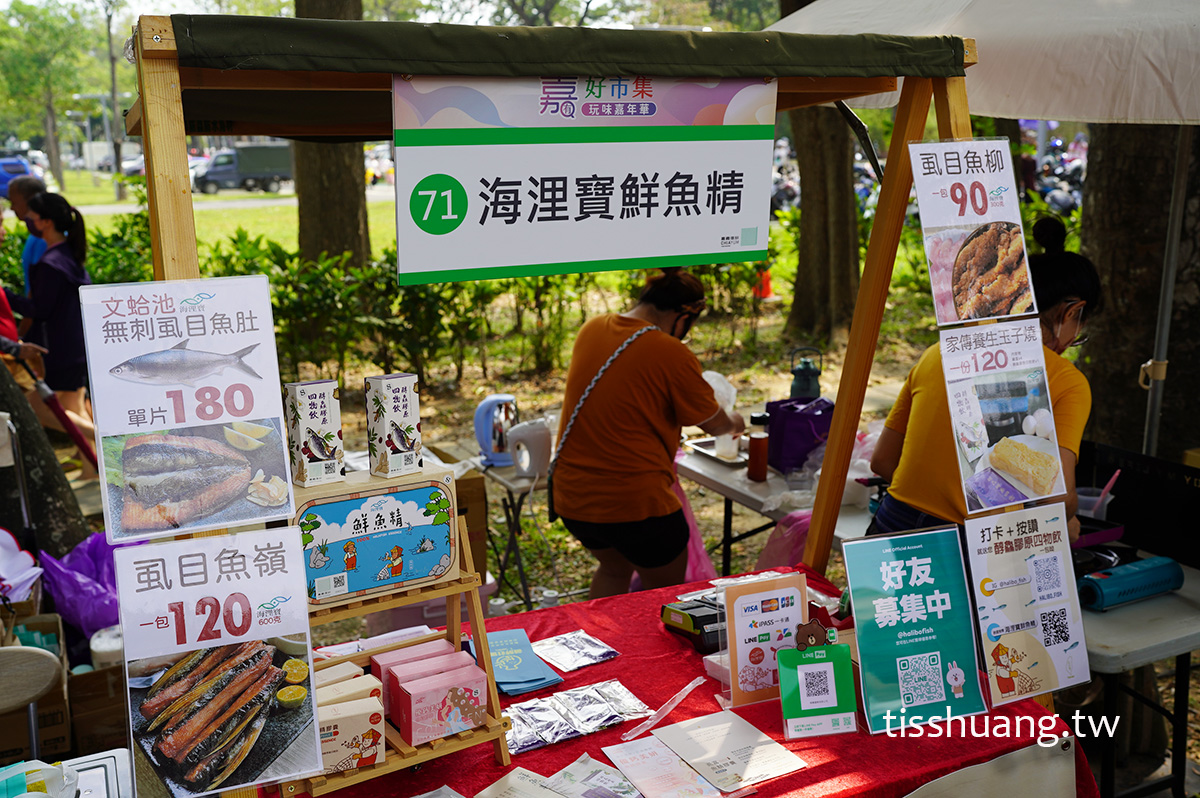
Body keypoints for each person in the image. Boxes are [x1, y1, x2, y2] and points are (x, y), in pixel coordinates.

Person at [869, 217, 1102, 541]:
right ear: (1071, 312)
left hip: (890, 529)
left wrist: (932, 501)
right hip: (971, 547)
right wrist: (1069, 518)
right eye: (1078, 334)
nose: (1071, 343)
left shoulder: (938, 353)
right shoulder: (1067, 380)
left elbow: (882, 461)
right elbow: (1057, 498)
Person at [551, 268, 745, 598]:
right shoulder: (669, 351)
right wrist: (734, 420)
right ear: (683, 315)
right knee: (662, 599)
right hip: (635, 505)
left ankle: (600, 645)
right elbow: (713, 423)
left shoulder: (593, 327)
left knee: (614, 569)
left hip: (573, 500)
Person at [4, 192, 96, 474]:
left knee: (40, 407)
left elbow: (39, 309)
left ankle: (107, 438)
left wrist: (5, 296)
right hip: (77, 345)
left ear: (44, 222)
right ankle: (93, 470)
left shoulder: (50, 263)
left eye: (30, 217)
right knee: (74, 407)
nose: (26, 222)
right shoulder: (69, 254)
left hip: (60, 349)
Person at [5, 175, 49, 294]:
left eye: (14, 202)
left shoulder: (46, 238)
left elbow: (41, 288)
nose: (12, 208)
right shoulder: (36, 234)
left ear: (31, 200)